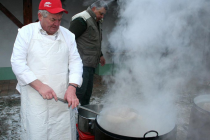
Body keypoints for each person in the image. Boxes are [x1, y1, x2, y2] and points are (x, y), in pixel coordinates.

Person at [11, 0, 83, 139]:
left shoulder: (68, 35)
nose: (56, 24)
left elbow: (76, 62)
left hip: (61, 96)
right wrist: (39, 86)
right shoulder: (26, 32)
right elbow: (17, 62)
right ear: (40, 16)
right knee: (37, 131)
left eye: (59, 20)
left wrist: (72, 87)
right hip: (34, 96)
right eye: (52, 19)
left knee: (62, 133)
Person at [69, 0, 108, 106]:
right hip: (80, 64)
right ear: (94, 8)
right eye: (101, 13)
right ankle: (73, 118)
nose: (102, 17)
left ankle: (83, 118)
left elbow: (93, 41)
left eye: (103, 14)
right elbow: (69, 41)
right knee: (79, 94)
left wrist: (100, 55)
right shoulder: (82, 19)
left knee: (87, 94)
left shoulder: (96, 20)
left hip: (90, 64)